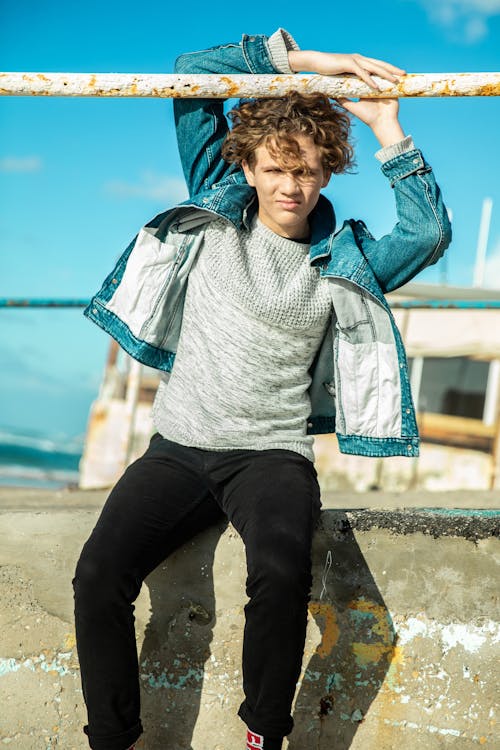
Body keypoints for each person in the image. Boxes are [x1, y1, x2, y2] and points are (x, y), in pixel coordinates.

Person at [74, 28, 451, 750]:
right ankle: (113, 742)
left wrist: (387, 126)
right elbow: (190, 72)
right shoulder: (213, 208)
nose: (290, 187)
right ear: (245, 164)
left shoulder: (347, 257)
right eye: (276, 168)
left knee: (279, 576)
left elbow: (427, 231)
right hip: (179, 448)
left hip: (271, 457)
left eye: (308, 172)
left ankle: (261, 737)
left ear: (327, 173)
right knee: (98, 574)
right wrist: (311, 64)